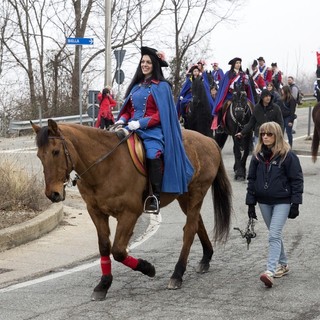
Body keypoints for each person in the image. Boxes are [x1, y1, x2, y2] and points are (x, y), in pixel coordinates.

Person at [114, 46, 194, 213]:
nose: (144, 64)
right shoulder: (136, 86)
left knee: (152, 154)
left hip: (152, 130)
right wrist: (122, 119)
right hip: (131, 127)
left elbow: (161, 114)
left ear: (154, 64)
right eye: (142, 61)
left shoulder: (162, 86)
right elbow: (129, 109)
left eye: (148, 62)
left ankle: (154, 197)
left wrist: (141, 123)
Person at [245, 121, 303, 288]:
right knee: (274, 234)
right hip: (263, 201)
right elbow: (252, 180)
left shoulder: (288, 156)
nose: (265, 137)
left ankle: (269, 271)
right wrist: (250, 204)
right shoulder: (257, 156)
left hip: (282, 201)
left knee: (274, 235)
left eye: (269, 134)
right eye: (263, 133)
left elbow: (297, 181)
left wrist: (295, 204)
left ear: (277, 135)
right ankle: (283, 264)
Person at [211, 57, 255, 132]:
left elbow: (247, 87)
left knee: (251, 105)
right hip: (230, 95)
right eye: (237, 63)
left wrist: (247, 83)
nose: (238, 64)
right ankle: (220, 125)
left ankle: (253, 124)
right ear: (233, 64)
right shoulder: (228, 74)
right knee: (222, 107)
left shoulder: (243, 74)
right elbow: (224, 86)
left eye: (239, 63)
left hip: (241, 96)